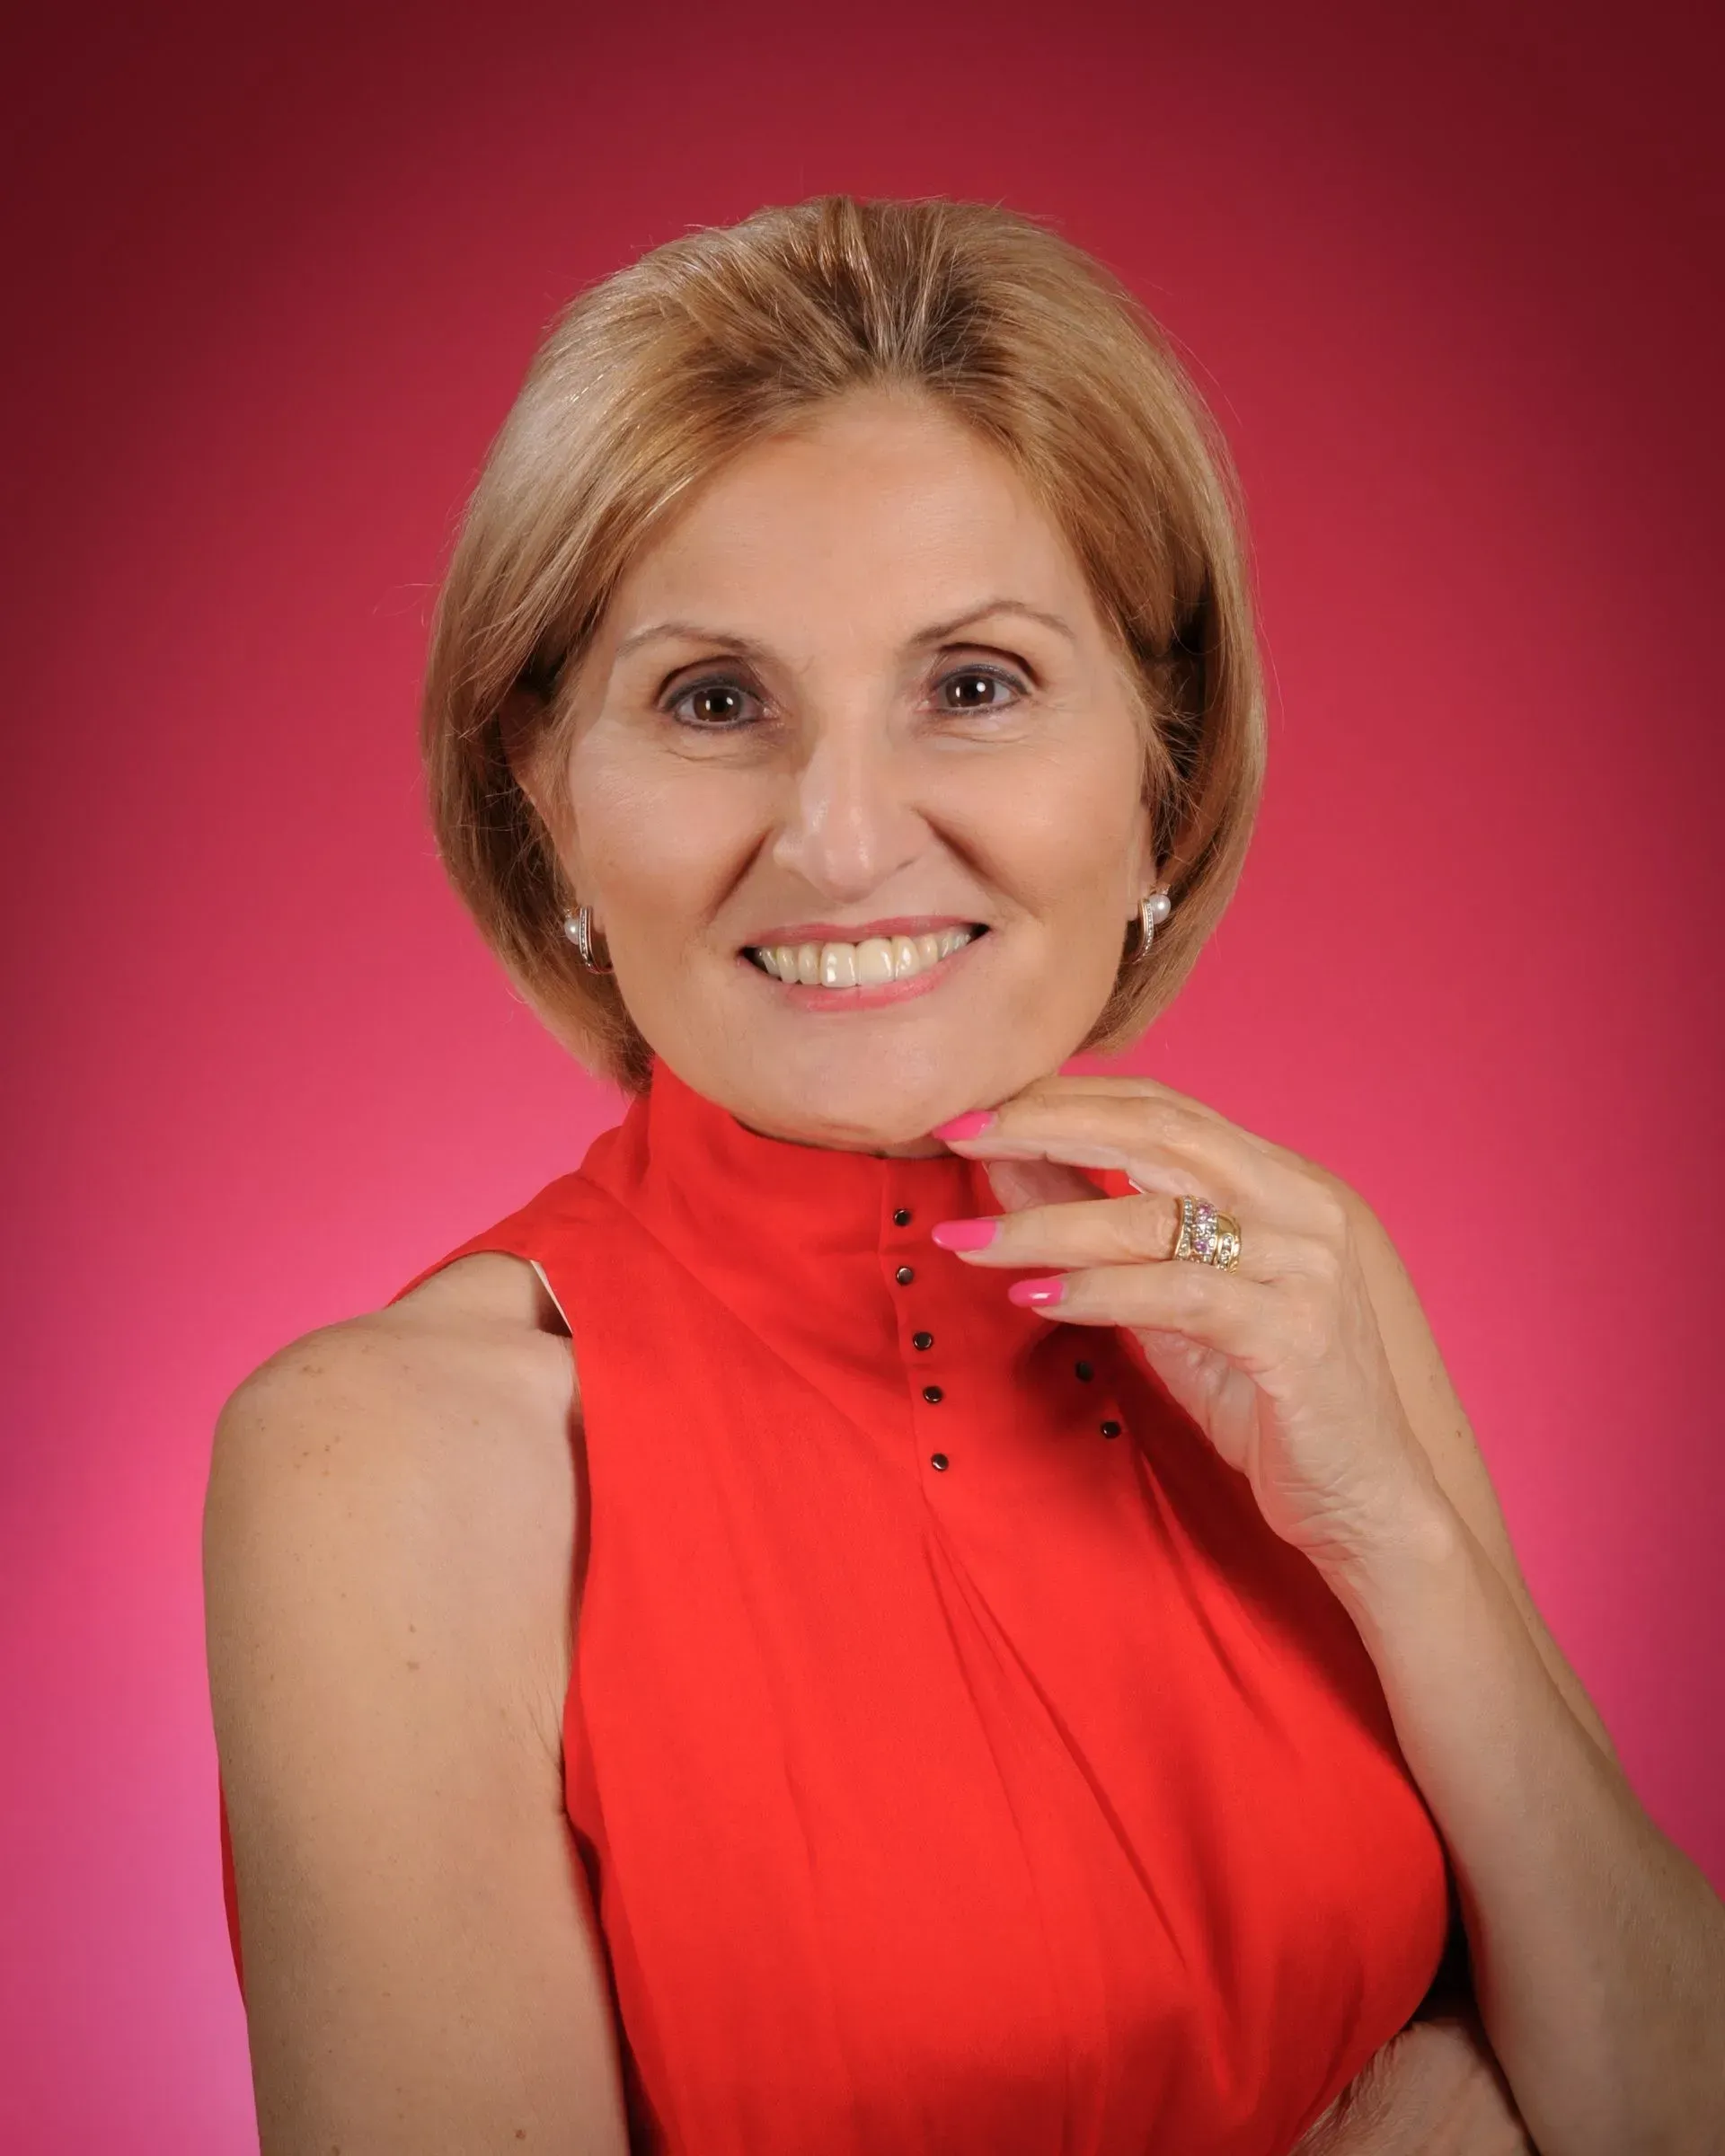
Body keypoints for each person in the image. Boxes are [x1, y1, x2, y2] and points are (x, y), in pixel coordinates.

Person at [203, 194, 1725, 2155]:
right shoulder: (380, 1468)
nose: (842, 843)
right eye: (716, 701)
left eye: (977, 684)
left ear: (1161, 764)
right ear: (545, 789)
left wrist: (1406, 1551)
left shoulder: (1291, 1284)